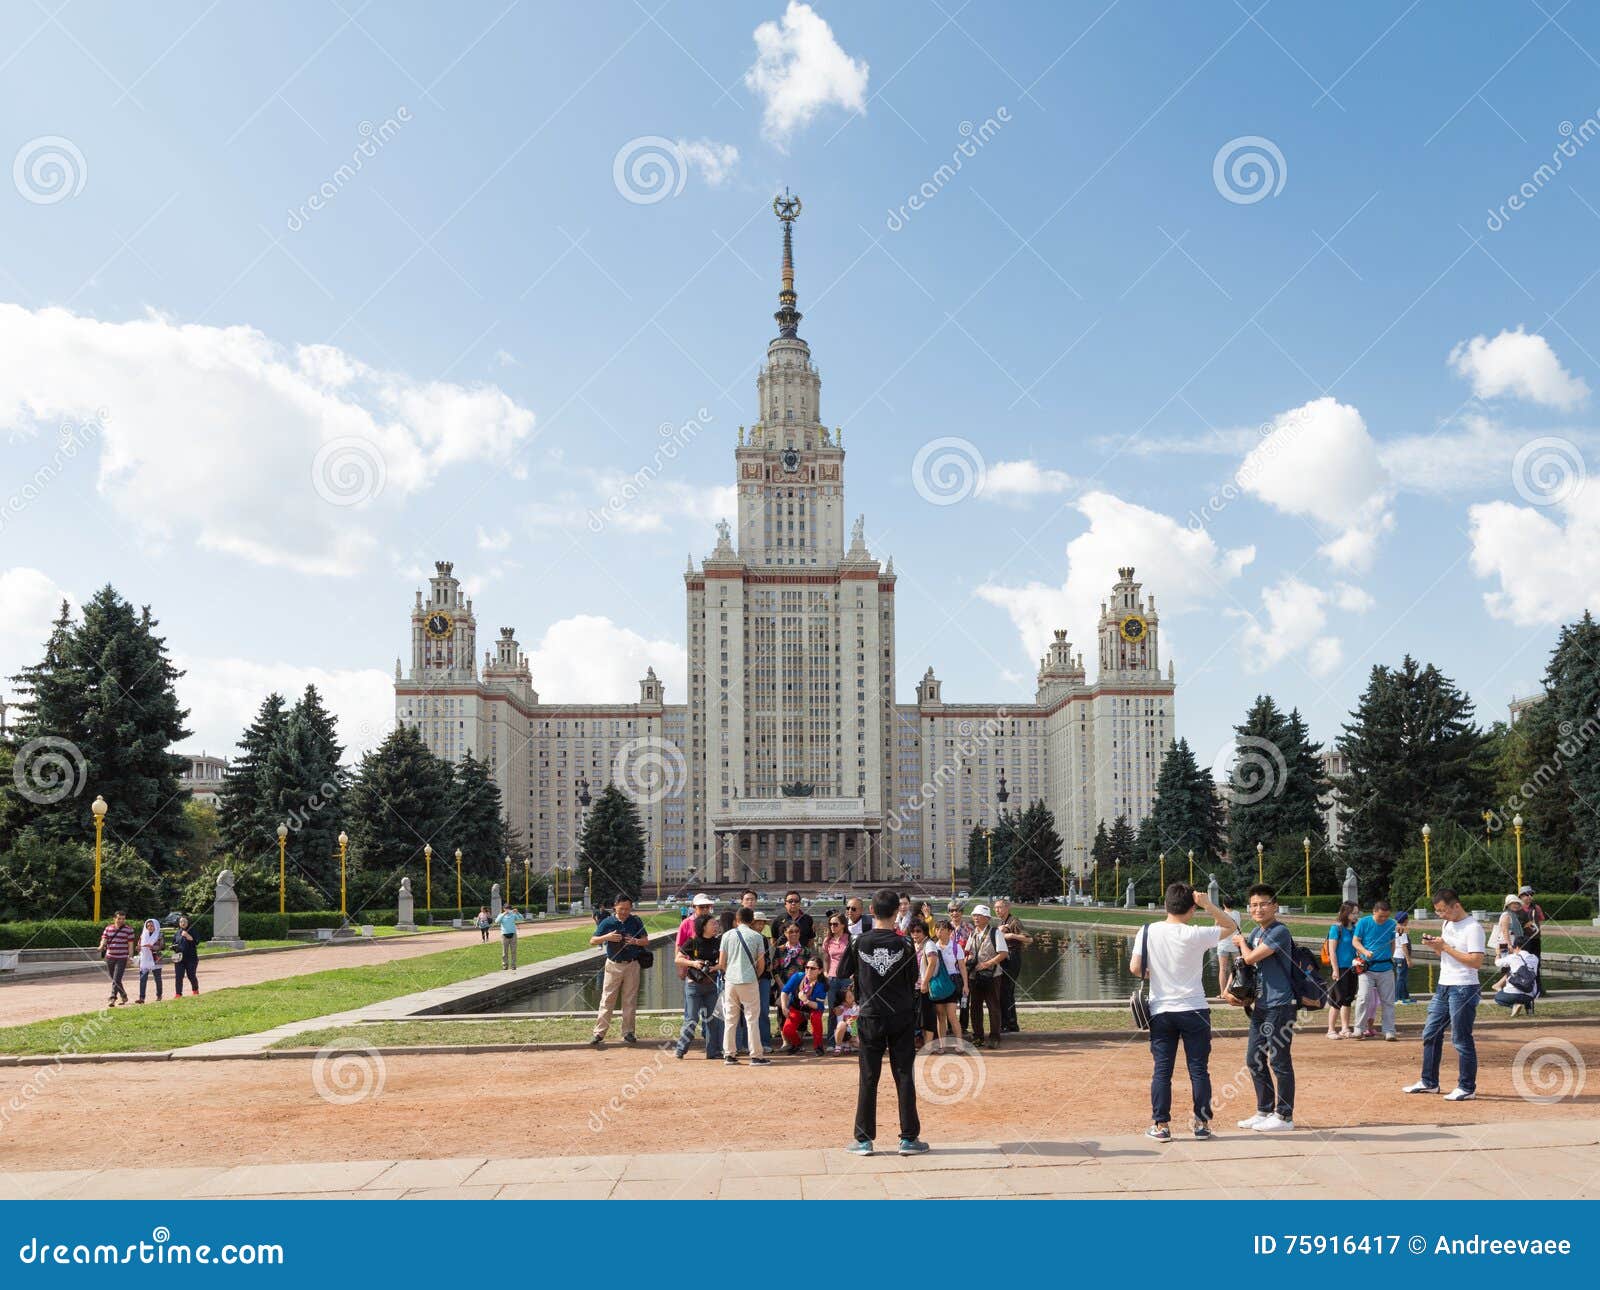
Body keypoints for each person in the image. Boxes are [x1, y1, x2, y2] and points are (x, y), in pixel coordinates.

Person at [1130, 883, 1237, 1141]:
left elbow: (1135, 968)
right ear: (1191, 909)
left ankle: (1161, 1125)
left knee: (1162, 1070)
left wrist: (1156, 974)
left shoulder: (1147, 931)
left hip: (1161, 1009)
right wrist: (1209, 904)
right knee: (1198, 1069)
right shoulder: (1195, 934)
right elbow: (1231, 926)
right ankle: (1201, 1124)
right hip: (1194, 1008)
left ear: (1166, 904)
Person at [840, 887, 927, 1156]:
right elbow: (913, 976)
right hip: (900, 1015)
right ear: (896, 912)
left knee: (868, 1077)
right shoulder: (904, 944)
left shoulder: (859, 942)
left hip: (871, 1015)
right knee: (904, 1076)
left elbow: (842, 972)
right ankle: (908, 1138)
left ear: (871, 911)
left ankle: (864, 1139)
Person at [1403, 888, 1485, 1102]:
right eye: (1437, 911)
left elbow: (1476, 962)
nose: (1441, 915)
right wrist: (1435, 946)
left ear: (1456, 905)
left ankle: (1467, 1087)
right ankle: (1429, 1082)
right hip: (1443, 985)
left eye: (1443, 910)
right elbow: (1443, 954)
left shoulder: (1473, 928)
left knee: (1461, 1039)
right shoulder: (1447, 924)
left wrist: (1446, 947)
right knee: (1430, 1033)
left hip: (1464, 987)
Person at [1230, 884, 1297, 1132]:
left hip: (1280, 1004)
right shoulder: (1257, 933)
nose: (1258, 908)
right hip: (1262, 1004)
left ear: (1274, 906)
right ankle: (1265, 1110)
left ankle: (1285, 1117)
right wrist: (1231, 991)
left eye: (1263, 903)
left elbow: (1249, 958)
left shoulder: (1279, 931)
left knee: (1279, 1061)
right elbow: (1243, 966)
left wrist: (1240, 943)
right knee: (1254, 1058)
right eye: (1254, 905)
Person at [589, 894, 649, 1047]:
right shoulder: (607, 922)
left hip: (631, 964)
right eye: (621, 909)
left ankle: (628, 1032)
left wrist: (635, 941)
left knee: (629, 1000)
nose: (624, 912)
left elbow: (646, 940)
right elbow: (592, 941)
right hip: (613, 964)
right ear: (615, 906)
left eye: (627, 909)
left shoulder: (635, 921)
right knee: (607, 998)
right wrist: (607, 937)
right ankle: (599, 1033)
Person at [718, 907, 771, 1066]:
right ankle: (756, 1055)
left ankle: (729, 1054)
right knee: (751, 1019)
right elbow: (761, 963)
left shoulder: (727, 935)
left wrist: (730, 973)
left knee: (730, 1019)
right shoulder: (757, 936)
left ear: (737, 919)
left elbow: (721, 963)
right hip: (749, 980)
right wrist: (756, 976)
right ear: (752, 920)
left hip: (731, 981)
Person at [673, 912, 724, 1059]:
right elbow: (678, 959)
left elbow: (722, 963)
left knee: (712, 1019)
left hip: (711, 985)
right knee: (692, 1019)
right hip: (693, 985)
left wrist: (716, 967)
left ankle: (712, 1051)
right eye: (712, 924)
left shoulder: (718, 942)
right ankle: (681, 1049)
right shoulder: (692, 941)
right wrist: (693, 963)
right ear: (703, 927)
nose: (716, 926)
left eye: (716, 924)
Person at [1352, 899, 1399, 1040]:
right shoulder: (1364, 922)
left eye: (1386, 916)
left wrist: (1389, 957)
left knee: (1388, 1001)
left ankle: (1389, 1030)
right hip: (1367, 968)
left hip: (1386, 968)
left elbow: (1393, 943)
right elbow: (1355, 941)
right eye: (1380, 916)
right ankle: (1358, 1029)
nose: (1383, 919)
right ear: (1374, 912)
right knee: (1363, 998)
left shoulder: (1392, 924)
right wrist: (1365, 951)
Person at [965, 904, 1009, 1049]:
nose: (976, 918)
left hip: (992, 975)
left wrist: (987, 964)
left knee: (993, 1006)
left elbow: (1003, 953)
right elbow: (968, 951)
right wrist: (968, 959)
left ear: (987, 918)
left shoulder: (995, 933)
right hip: (974, 976)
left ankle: (995, 1037)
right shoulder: (972, 933)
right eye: (974, 915)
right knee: (975, 1006)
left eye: (979, 915)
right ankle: (978, 1036)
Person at [733, 910, 776, 1054]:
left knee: (763, 1010)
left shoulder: (763, 938)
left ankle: (764, 1041)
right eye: (757, 922)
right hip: (749, 979)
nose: (760, 925)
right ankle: (747, 1043)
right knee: (747, 1012)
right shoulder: (742, 937)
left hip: (761, 978)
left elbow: (766, 960)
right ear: (751, 923)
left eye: (762, 923)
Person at [929, 919, 968, 1050]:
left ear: (950, 931)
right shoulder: (933, 947)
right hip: (939, 983)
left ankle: (960, 1044)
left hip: (952, 982)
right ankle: (942, 1045)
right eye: (937, 929)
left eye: (942, 929)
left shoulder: (956, 947)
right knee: (940, 1016)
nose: (939, 932)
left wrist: (965, 985)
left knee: (951, 1015)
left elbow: (962, 967)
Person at [994, 897, 1031, 1033]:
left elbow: (1028, 939)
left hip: (1012, 957)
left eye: (1000, 907)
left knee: (1006, 990)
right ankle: (1010, 1023)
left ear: (1007, 908)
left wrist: (1011, 936)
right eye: (995, 908)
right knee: (1005, 991)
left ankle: (1008, 1024)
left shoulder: (1014, 922)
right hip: (1004, 957)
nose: (997, 910)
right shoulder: (1002, 922)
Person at [780, 956, 829, 1054]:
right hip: (797, 1008)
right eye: (807, 967)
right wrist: (784, 1006)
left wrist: (806, 1000)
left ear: (820, 971)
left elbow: (819, 1006)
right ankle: (797, 1044)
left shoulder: (822, 984)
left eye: (813, 968)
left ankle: (818, 1046)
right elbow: (784, 992)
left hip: (813, 1009)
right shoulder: (798, 976)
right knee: (787, 1030)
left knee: (816, 1019)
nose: (809, 970)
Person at [1325, 901, 1358, 1038]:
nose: (1356, 915)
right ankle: (1331, 1029)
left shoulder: (1355, 928)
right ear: (1346, 913)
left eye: (1357, 912)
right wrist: (1335, 970)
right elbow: (1332, 951)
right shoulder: (1336, 928)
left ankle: (1345, 1027)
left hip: (1353, 968)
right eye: (1354, 913)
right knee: (1337, 999)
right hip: (1340, 967)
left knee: (1348, 998)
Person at [1490, 936, 1540, 1017]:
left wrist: (1498, 953)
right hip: (1530, 995)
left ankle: (1514, 1006)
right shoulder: (1535, 958)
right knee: (1526, 981)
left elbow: (1497, 963)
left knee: (1498, 998)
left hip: (1512, 994)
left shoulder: (1513, 957)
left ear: (1516, 947)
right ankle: (1529, 1009)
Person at [821, 913, 852, 1034]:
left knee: (850, 1010)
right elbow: (826, 958)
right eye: (830, 924)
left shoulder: (850, 939)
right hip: (832, 978)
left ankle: (853, 1038)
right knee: (833, 1011)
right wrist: (825, 972)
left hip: (847, 978)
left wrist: (853, 975)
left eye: (835, 924)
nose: (832, 926)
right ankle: (831, 1042)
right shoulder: (828, 940)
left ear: (843, 925)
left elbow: (855, 958)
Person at [97, 910, 132, 1007]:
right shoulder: (108, 928)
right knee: (114, 979)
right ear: (114, 919)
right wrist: (101, 946)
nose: (121, 920)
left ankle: (112, 998)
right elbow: (104, 939)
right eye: (119, 918)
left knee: (116, 979)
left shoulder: (129, 930)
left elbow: (130, 945)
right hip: (110, 957)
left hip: (122, 958)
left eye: (123, 919)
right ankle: (123, 995)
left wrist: (130, 957)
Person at [1518, 884, 1547, 1000]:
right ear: (1520, 896)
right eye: (1527, 895)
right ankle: (1524, 988)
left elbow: (1540, 920)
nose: (1529, 897)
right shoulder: (1517, 908)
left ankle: (1538, 989)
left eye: (1531, 895)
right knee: (1523, 964)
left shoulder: (1536, 908)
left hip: (1535, 939)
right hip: (1522, 940)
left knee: (1536, 963)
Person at [135, 919, 164, 1004]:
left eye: (152, 925)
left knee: (157, 978)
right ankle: (142, 998)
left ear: (156, 926)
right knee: (143, 978)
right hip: (145, 959)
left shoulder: (160, 934)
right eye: (148, 926)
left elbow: (162, 946)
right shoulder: (143, 935)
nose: (150, 927)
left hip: (156, 959)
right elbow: (138, 946)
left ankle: (159, 995)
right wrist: (138, 948)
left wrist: (152, 947)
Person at [1215, 897, 1240, 997]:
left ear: (1224, 904)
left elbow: (1216, 928)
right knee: (1237, 970)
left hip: (1223, 944)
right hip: (1235, 944)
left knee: (1222, 969)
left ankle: (1222, 993)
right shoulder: (1237, 913)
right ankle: (1235, 992)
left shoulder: (1221, 914)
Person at [171, 914, 200, 997]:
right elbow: (174, 943)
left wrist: (188, 936)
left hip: (191, 958)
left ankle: (195, 990)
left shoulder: (193, 930)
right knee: (179, 976)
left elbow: (196, 942)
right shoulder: (177, 933)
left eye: (184, 921)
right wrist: (173, 947)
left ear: (188, 922)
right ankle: (178, 994)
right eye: (181, 921)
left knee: (191, 975)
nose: (182, 923)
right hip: (179, 958)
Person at [832, 985, 861, 1054]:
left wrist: (855, 1008)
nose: (852, 998)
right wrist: (846, 1022)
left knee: (860, 1043)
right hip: (843, 1034)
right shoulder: (840, 1009)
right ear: (843, 1002)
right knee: (842, 1024)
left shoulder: (857, 1007)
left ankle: (851, 1045)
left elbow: (856, 1021)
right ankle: (838, 1046)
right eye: (849, 997)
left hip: (855, 1033)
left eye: (852, 995)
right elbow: (839, 1023)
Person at [1393, 912, 1412, 1003]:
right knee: (1401, 978)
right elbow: (1404, 946)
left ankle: (1405, 997)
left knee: (1401, 977)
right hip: (1401, 957)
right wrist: (1408, 960)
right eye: (1407, 919)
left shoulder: (1395, 930)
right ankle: (1398, 998)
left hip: (1395, 956)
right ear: (1405, 920)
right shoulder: (1402, 931)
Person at [497, 904, 520, 970]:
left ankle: (513, 965)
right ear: (504, 909)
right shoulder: (501, 915)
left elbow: (521, 918)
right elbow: (497, 921)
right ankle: (505, 965)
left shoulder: (513, 915)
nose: (507, 910)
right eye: (506, 908)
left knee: (513, 951)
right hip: (504, 935)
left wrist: (517, 912)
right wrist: (504, 914)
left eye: (509, 908)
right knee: (505, 951)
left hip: (513, 934)